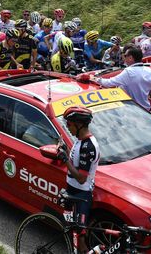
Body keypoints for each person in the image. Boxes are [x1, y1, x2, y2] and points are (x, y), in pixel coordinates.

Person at [59, 106, 100, 252]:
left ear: (78, 124)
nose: (68, 128)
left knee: (80, 240)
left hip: (81, 194)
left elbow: (81, 178)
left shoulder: (89, 146)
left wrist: (65, 160)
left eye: (69, 124)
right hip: (72, 190)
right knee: (70, 231)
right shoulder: (80, 140)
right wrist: (66, 151)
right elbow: (76, 161)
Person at [94, 45, 151, 111]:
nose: (124, 57)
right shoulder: (149, 70)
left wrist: (96, 79)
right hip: (146, 110)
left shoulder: (128, 72)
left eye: (125, 55)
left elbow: (109, 83)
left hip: (132, 110)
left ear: (130, 58)